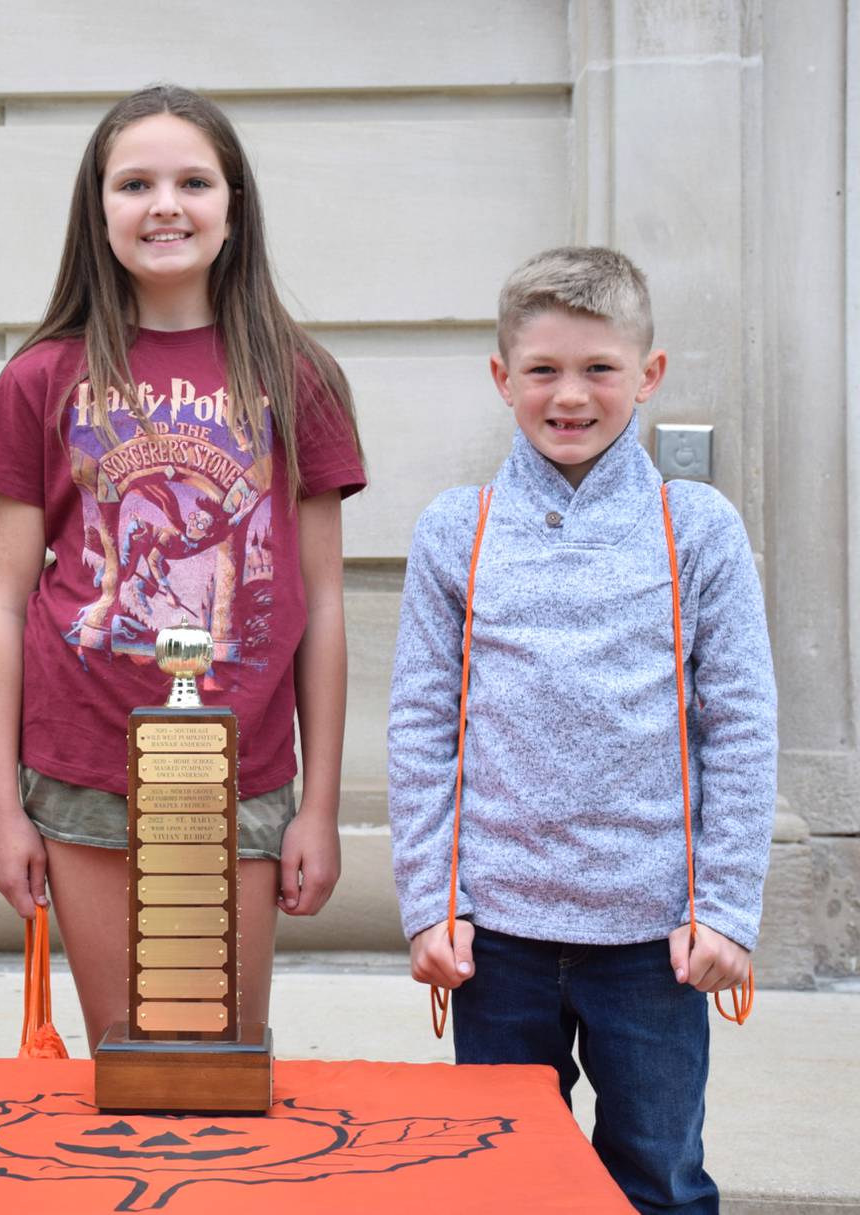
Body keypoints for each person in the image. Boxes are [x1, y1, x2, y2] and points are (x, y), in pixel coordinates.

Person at [0, 84, 366, 1051]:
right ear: (98, 210)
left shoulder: (297, 378)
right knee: (128, 1062)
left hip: (245, 772)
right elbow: (5, 605)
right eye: (134, 182)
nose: (165, 204)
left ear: (235, 206)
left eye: (194, 180)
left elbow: (325, 604)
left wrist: (320, 807)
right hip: (85, 767)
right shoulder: (42, 377)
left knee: (221, 1061)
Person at [388, 247, 777, 1213]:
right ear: (501, 378)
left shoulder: (697, 528)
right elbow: (422, 727)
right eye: (544, 370)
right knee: (504, 1183)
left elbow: (739, 723)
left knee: (658, 1178)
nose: (571, 395)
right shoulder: (457, 528)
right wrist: (430, 902)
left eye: (600, 368)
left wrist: (725, 908)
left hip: (656, 938)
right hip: (499, 938)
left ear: (648, 374)